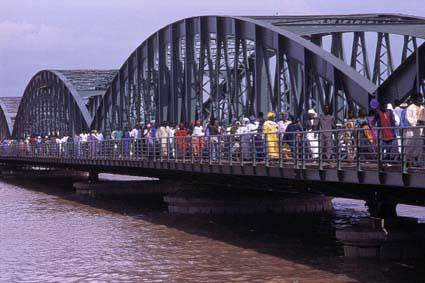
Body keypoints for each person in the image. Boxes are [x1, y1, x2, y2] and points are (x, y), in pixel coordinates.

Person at [406, 96, 424, 165]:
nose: (420, 101)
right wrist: (417, 122)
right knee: (410, 147)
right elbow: (409, 118)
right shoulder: (410, 108)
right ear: (415, 100)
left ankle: (417, 162)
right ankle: (408, 163)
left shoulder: (423, 108)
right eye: (419, 100)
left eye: (421, 100)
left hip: (420, 131)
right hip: (412, 130)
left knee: (419, 147)